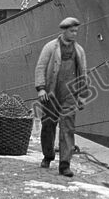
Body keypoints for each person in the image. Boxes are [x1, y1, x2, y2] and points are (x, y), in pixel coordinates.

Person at [35, 17, 89, 178]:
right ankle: (48, 155)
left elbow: (83, 73)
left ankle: (65, 165)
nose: (74, 34)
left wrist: (83, 96)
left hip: (69, 96)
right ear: (64, 31)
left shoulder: (79, 51)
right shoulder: (50, 47)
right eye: (71, 31)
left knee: (68, 129)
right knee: (48, 126)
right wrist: (41, 89)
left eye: (76, 31)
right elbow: (40, 67)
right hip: (52, 94)